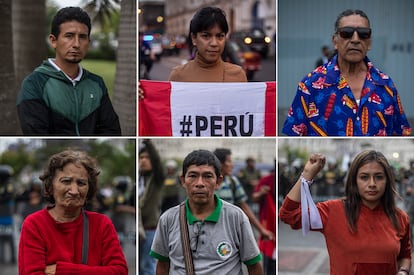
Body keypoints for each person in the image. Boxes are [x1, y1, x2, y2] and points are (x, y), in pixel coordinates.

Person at [279, 150, 411, 275]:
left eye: (379, 177)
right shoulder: (332, 211)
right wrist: (307, 175)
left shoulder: (400, 217)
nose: (372, 184)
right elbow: (288, 214)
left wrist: (403, 271)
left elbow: (405, 255)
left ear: (387, 181)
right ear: (354, 181)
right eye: (364, 177)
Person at [282, 9, 411, 136]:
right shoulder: (310, 85)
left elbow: (401, 132)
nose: (355, 39)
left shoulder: (386, 85)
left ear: (369, 43)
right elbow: (294, 133)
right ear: (335, 41)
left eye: (363, 34)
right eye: (346, 33)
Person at [150, 149, 263, 274]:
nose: (200, 183)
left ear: (218, 181)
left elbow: (253, 265)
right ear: (183, 180)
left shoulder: (236, 217)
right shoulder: (167, 219)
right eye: (193, 176)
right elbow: (162, 266)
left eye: (208, 176)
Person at [18, 150, 128, 275]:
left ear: (89, 188)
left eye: (81, 183)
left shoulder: (102, 224)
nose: (74, 191)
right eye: (66, 181)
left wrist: (62, 270)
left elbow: (120, 271)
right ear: (50, 186)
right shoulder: (35, 224)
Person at [17, 7, 121, 136]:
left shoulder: (96, 83)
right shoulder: (34, 83)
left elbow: (111, 130)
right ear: (53, 41)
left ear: (88, 42)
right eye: (69, 36)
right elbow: (35, 133)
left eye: (82, 37)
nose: (76, 44)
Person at [138, 6, 247, 99]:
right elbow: (165, 113)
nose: (214, 43)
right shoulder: (178, 76)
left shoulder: (238, 75)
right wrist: (143, 97)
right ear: (194, 38)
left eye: (220, 36)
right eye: (206, 36)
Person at [213, 148, 274, 241]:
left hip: (229, 232)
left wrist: (261, 230)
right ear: (220, 164)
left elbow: (244, 207)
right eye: (229, 161)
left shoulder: (232, 182)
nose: (232, 165)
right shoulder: (207, 183)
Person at [138, 139, 165, 275]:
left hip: (150, 230)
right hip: (137, 230)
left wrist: (147, 141)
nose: (143, 160)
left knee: (147, 267)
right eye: (141, 157)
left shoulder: (156, 179)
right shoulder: (139, 180)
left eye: (147, 157)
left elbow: (158, 163)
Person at [252, 167, 276, 275]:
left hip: (278, 222)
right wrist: (261, 193)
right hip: (268, 224)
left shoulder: (282, 179)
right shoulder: (266, 180)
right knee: (269, 261)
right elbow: (254, 197)